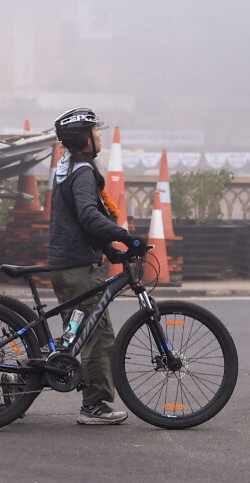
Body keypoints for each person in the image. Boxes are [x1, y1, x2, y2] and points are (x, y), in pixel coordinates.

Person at [48, 107, 145, 425]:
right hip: (78, 267)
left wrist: (111, 250)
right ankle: (95, 406)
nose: (99, 135)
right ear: (83, 138)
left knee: (76, 335)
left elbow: (82, 221)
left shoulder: (69, 167)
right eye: (95, 131)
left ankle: (17, 383)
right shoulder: (83, 171)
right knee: (98, 336)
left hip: (68, 263)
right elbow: (90, 216)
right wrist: (126, 238)